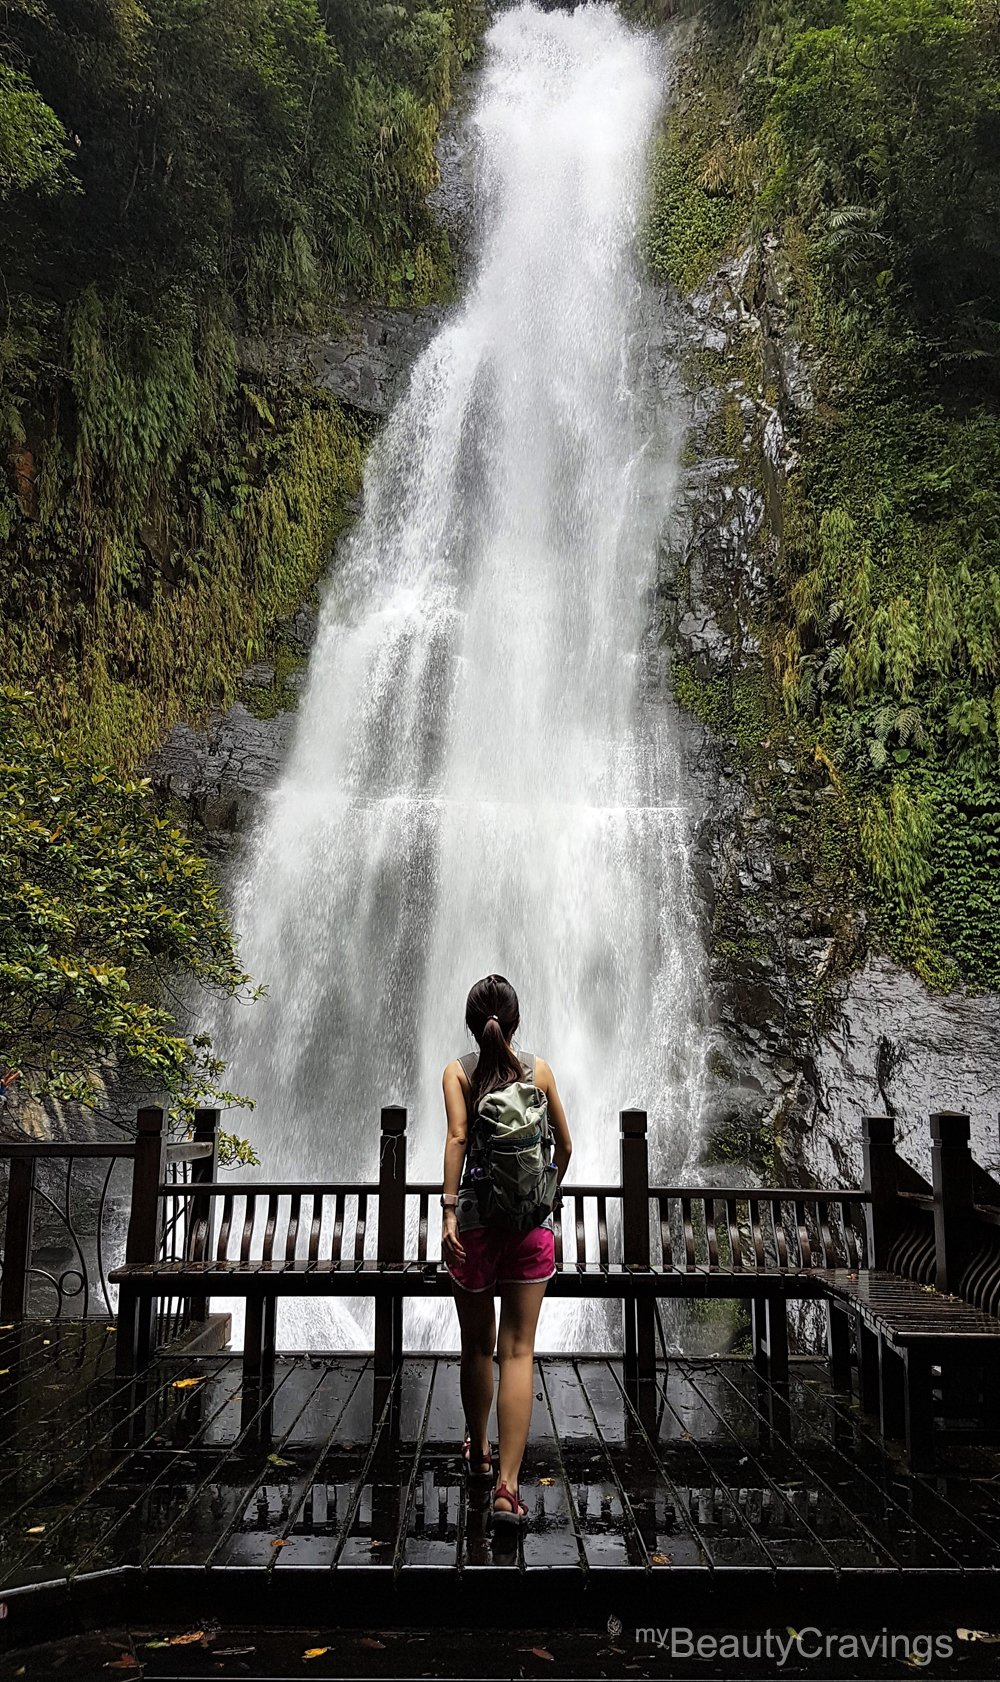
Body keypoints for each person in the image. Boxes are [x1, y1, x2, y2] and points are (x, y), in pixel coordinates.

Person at [441, 974, 572, 1525]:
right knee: (518, 1350)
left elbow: (456, 1139)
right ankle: (508, 1489)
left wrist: (450, 1209)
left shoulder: (458, 1072)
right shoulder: (538, 1070)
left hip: (473, 1226)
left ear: (473, 1025)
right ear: (516, 1022)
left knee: (477, 1347)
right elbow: (566, 1145)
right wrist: (545, 1193)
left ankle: (478, 1451)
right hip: (529, 1227)